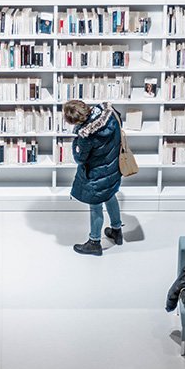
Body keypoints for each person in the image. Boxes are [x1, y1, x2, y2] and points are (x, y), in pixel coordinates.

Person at [63, 99, 123, 256]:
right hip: (112, 167)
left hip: (96, 173)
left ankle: (94, 242)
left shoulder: (85, 137)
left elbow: (80, 158)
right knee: (110, 195)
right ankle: (117, 231)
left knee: (95, 205)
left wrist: (75, 141)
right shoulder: (110, 114)